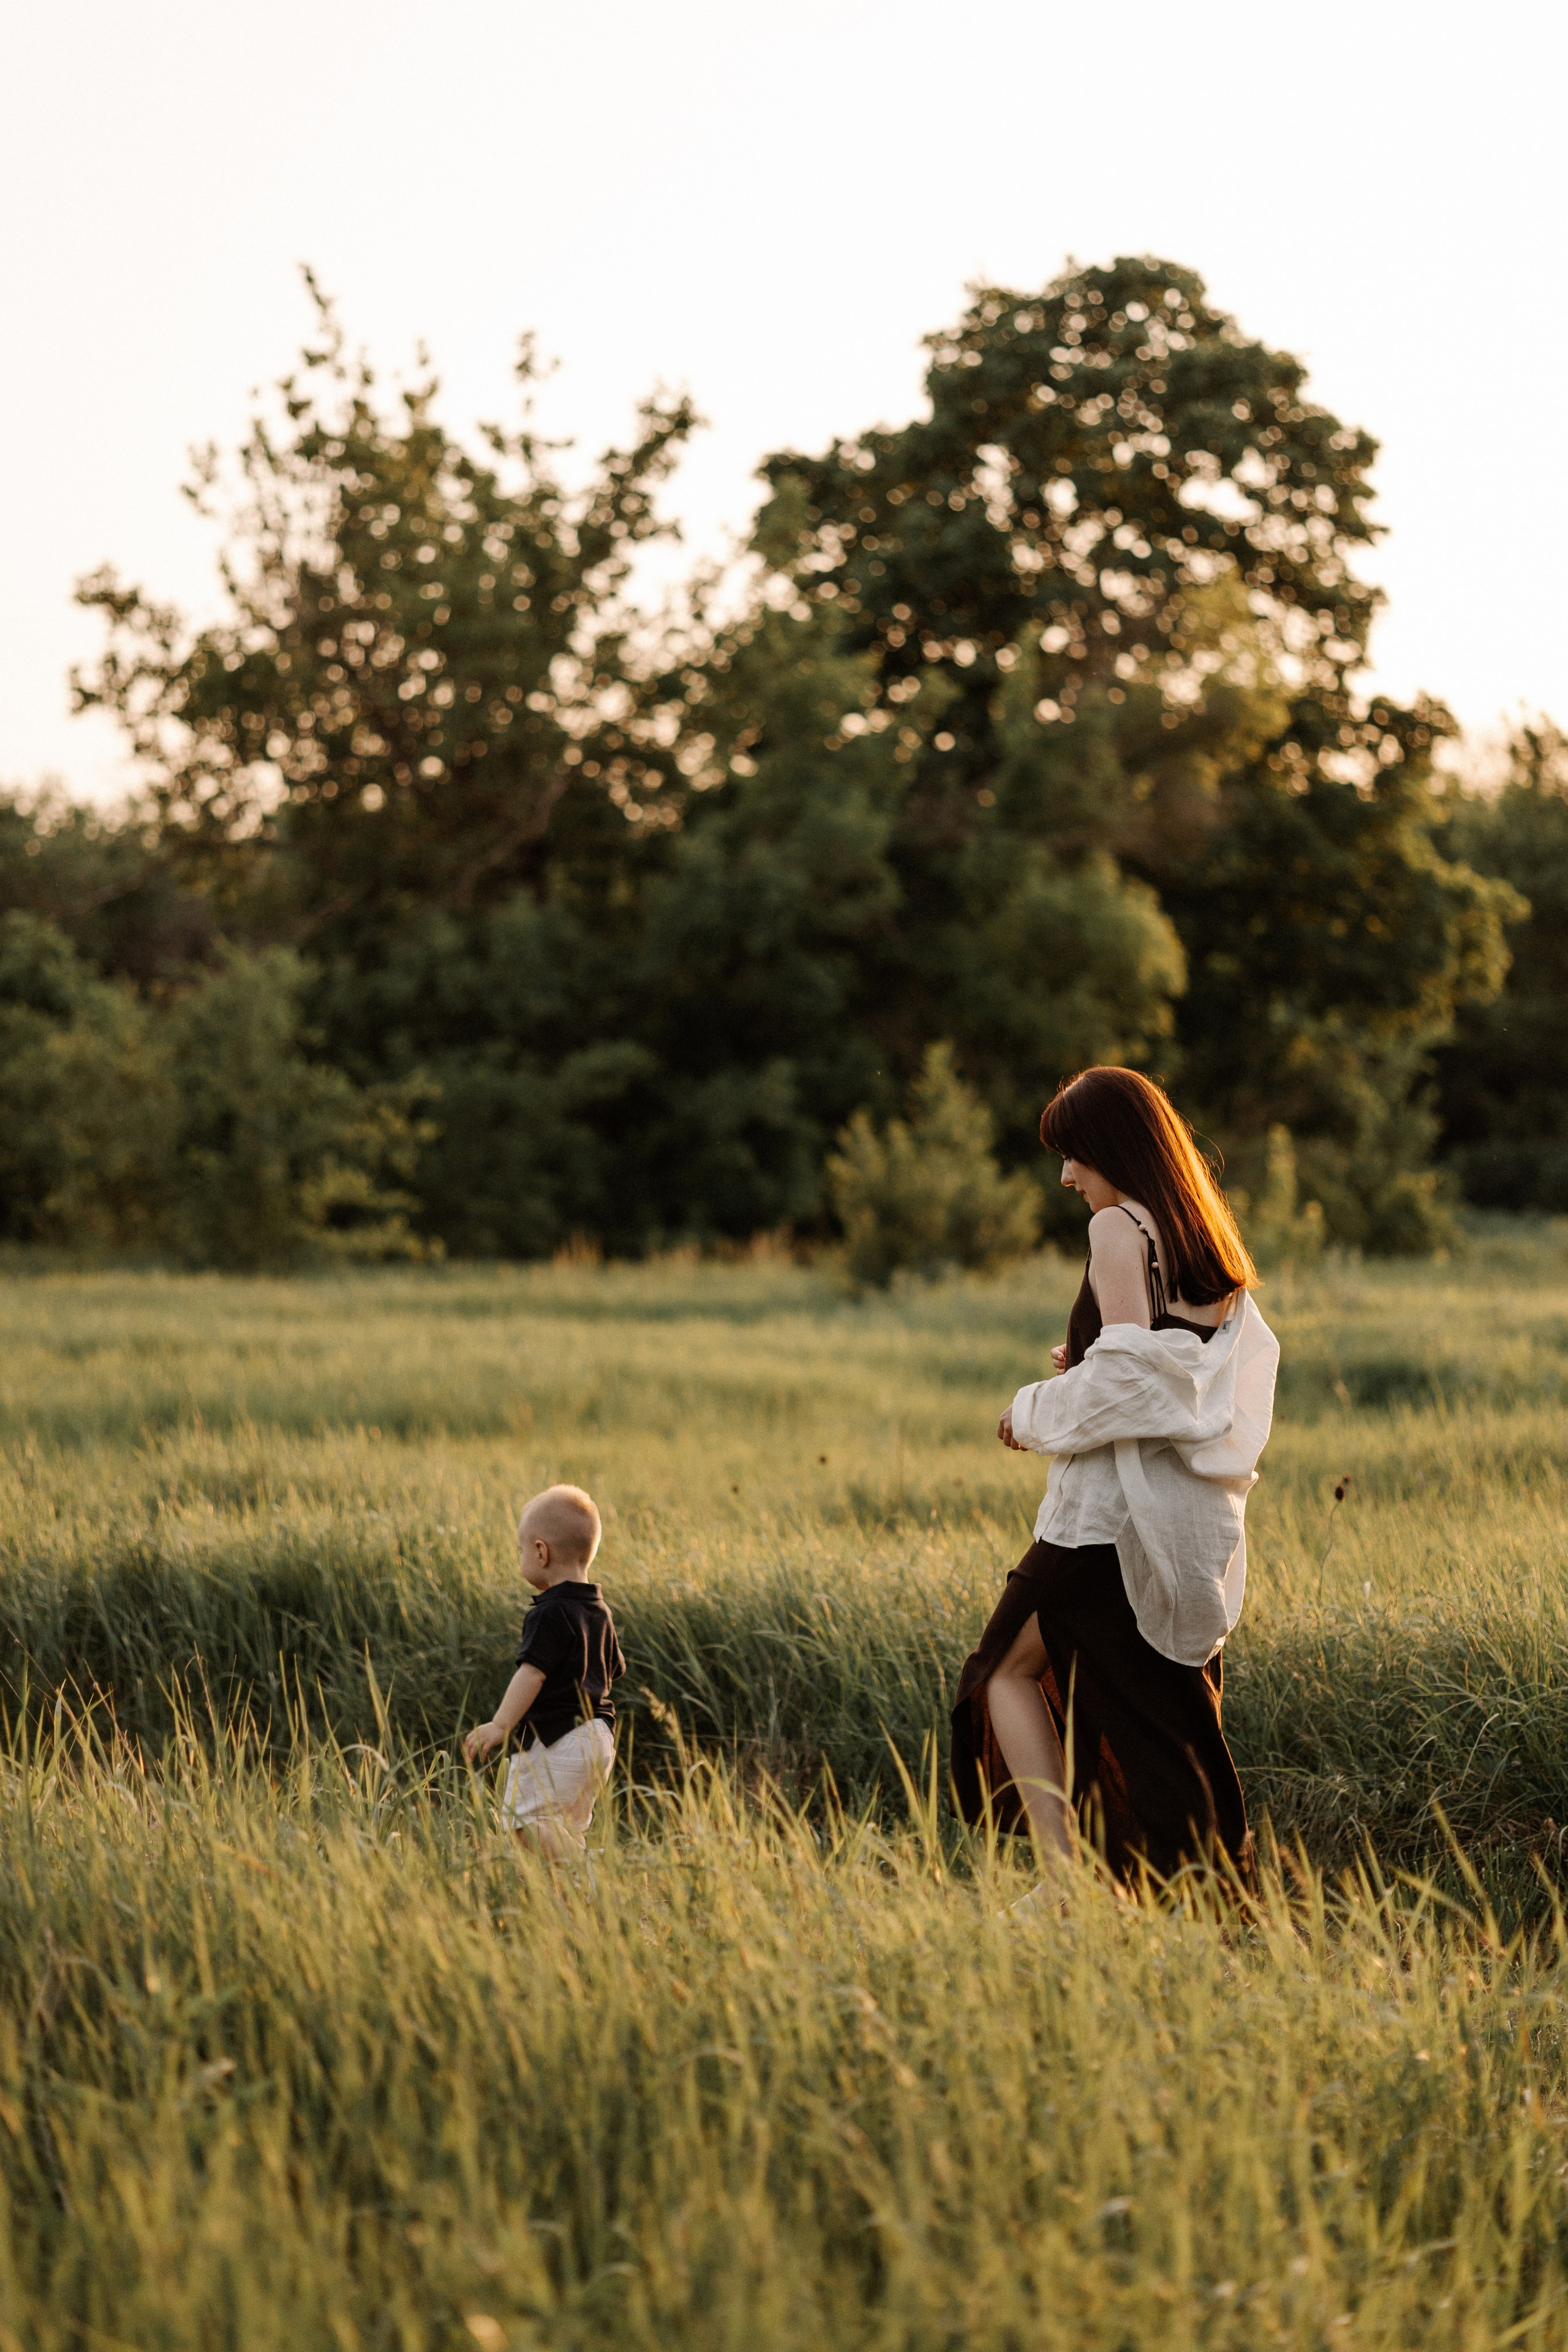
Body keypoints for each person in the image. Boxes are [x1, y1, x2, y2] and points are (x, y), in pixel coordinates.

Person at [951, 1067, 1279, 1897]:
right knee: (1154, 1707)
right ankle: (1181, 1888)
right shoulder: (1200, 1235)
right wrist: (1091, 1363)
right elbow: (1181, 1370)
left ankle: (1070, 1884)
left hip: (1104, 1520)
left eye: (1075, 1155)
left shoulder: (1117, 1226)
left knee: (1000, 1675)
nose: (1067, 1177)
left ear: (1114, 1148)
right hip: (1181, 1519)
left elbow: (1132, 1382)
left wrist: (1031, 1410)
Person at [463, 1483, 625, 1861]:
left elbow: (532, 1674)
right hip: (599, 1737)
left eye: (521, 1550)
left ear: (541, 1552)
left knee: (524, 1823)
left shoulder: (549, 1612)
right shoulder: (599, 1610)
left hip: (556, 1738)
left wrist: (501, 1725)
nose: (521, 1557)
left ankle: (592, 1869)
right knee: (562, 1830)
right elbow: (613, 1669)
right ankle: (579, 1890)